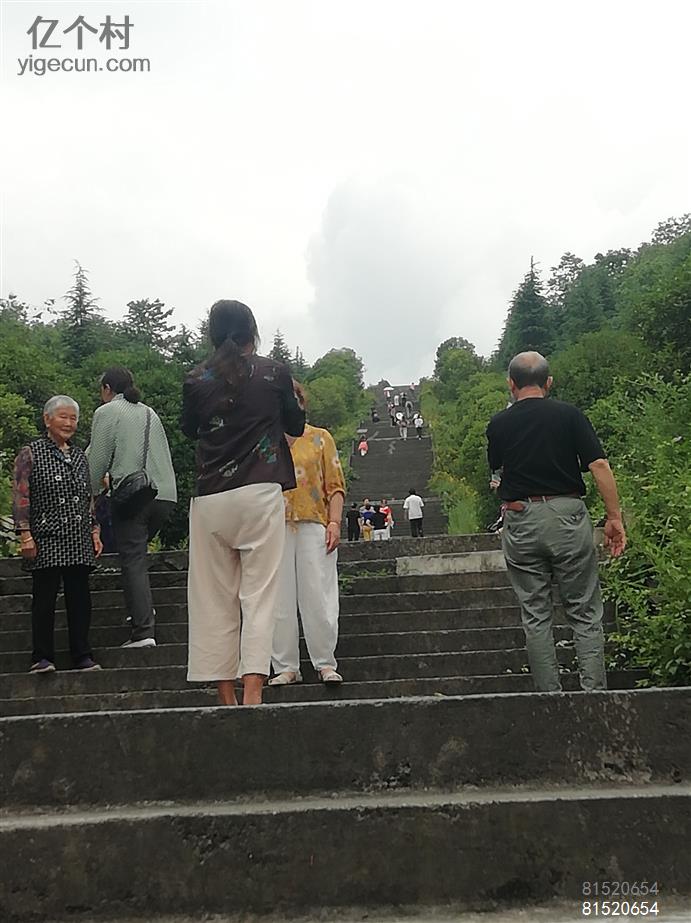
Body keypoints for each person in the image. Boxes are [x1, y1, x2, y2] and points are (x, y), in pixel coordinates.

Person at [181, 299, 305, 706]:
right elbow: (296, 423)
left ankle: (225, 696)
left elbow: (188, 429)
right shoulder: (273, 372)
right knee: (259, 595)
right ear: (253, 330)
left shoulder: (196, 378)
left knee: (212, 598)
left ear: (212, 333)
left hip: (211, 496)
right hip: (259, 489)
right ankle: (253, 692)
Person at [485, 351, 627, 693]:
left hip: (522, 519)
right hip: (567, 516)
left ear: (511, 384)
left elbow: (498, 469)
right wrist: (614, 518)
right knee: (584, 611)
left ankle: (550, 699)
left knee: (535, 614)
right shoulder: (570, 415)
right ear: (549, 382)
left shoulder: (498, 424)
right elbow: (599, 466)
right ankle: (593, 696)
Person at [87, 367, 177, 649]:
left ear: (107, 388)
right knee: (136, 555)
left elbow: (97, 461)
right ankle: (142, 609)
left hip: (134, 497)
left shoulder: (107, 412)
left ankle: (143, 631)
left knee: (133, 560)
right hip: (165, 496)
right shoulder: (150, 412)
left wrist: (90, 495)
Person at [13, 396, 103, 673]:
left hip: (78, 535)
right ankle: (41, 656)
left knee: (80, 598)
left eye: (73, 418)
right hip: (46, 535)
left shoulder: (79, 456)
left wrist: (95, 530)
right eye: (63, 417)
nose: (68, 423)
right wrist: (25, 534)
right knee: (44, 598)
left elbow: (88, 496)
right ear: (47, 419)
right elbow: (21, 495)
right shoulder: (31, 453)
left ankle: (82, 654)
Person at [269, 412, 346, 686]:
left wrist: (335, 522)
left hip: (314, 522)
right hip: (274, 526)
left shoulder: (320, 438)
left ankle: (325, 663)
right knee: (279, 599)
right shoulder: (265, 440)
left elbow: (335, 485)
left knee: (318, 595)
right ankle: (286, 666)